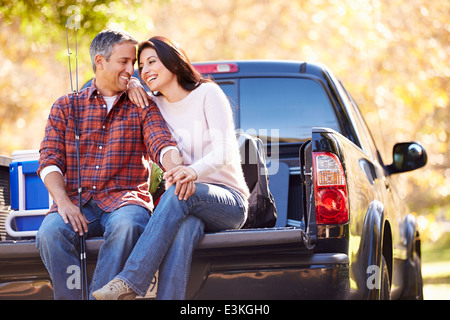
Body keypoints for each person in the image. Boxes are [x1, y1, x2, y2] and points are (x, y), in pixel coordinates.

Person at [92, 36, 250, 300]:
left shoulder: (207, 94)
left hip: (228, 201)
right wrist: (131, 82)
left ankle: (130, 281)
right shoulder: (154, 106)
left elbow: (225, 152)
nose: (145, 70)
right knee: (185, 228)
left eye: (152, 61)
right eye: (141, 66)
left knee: (177, 193)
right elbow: (121, 85)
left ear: (173, 62)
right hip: (185, 198)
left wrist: (192, 172)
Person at [36, 30, 183, 300]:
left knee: (128, 224)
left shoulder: (141, 104)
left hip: (124, 202)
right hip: (76, 203)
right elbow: (49, 160)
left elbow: (162, 143)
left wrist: (176, 168)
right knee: (49, 232)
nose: (132, 70)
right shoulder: (65, 107)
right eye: (124, 62)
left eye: (133, 63)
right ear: (100, 62)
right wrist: (63, 202)